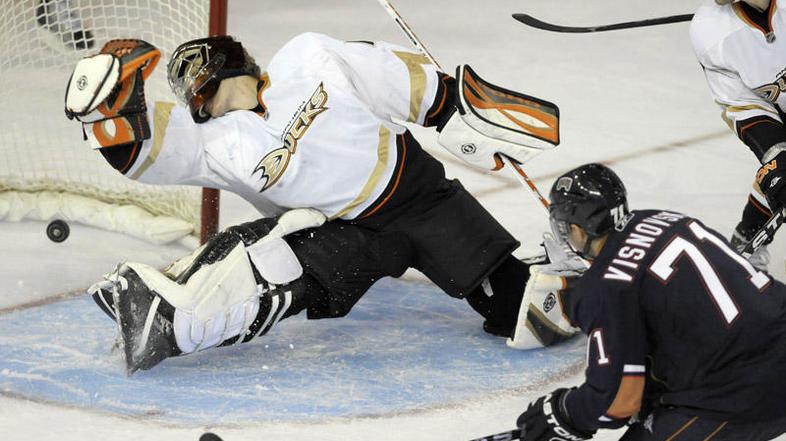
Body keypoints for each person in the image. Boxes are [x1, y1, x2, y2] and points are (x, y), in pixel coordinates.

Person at [63, 35, 565, 373]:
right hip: (345, 230)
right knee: (272, 254)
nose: (193, 95)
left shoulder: (306, 57)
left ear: (218, 65)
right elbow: (134, 146)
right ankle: (174, 317)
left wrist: (453, 107)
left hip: (420, 196)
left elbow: (395, 77)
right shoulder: (211, 142)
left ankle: (577, 276)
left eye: (195, 79)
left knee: (520, 311)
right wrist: (105, 105)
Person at [515, 163, 786, 441]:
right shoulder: (668, 219)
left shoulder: (604, 286)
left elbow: (617, 402)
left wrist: (564, 412)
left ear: (579, 231)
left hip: (744, 395)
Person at [690, 0, 786, 270]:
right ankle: (747, 235)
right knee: (779, 172)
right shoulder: (710, 29)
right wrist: (777, 157)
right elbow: (744, 105)